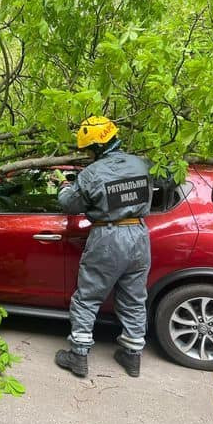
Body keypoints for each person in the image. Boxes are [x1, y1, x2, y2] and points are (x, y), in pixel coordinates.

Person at [54, 116, 152, 378]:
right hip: (139, 235)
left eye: (88, 150)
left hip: (109, 237)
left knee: (88, 296)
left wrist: (64, 186)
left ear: (96, 147)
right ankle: (132, 356)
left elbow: (70, 204)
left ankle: (78, 354)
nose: (87, 155)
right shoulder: (140, 164)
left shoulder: (91, 174)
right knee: (133, 298)